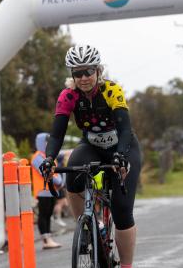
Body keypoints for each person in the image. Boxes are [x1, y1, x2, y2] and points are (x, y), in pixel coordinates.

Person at [40, 44, 141, 268]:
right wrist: (49, 158)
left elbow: (125, 129)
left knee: (122, 210)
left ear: (98, 71)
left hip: (122, 146)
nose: (84, 77)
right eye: (78, 73)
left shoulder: (111, 90)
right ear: (72, 75)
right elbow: (57, 134)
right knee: (72, 177)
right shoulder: (68, 96)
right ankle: (87, 226)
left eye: (88, 71)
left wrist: (121, 155)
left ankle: (126, 265)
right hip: (92, 145)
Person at [31, 132, 63, 249]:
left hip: (51, 190)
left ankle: (48, 239)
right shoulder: (37, 157)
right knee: (44, 215)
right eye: (46, 141)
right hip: (43, 191)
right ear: (40, 142)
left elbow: (56, 171)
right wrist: (59, 180)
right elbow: (46, 172)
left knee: (48, 214)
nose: (48, 143)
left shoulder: (47, 156)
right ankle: (46, 240)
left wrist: (59, 180)